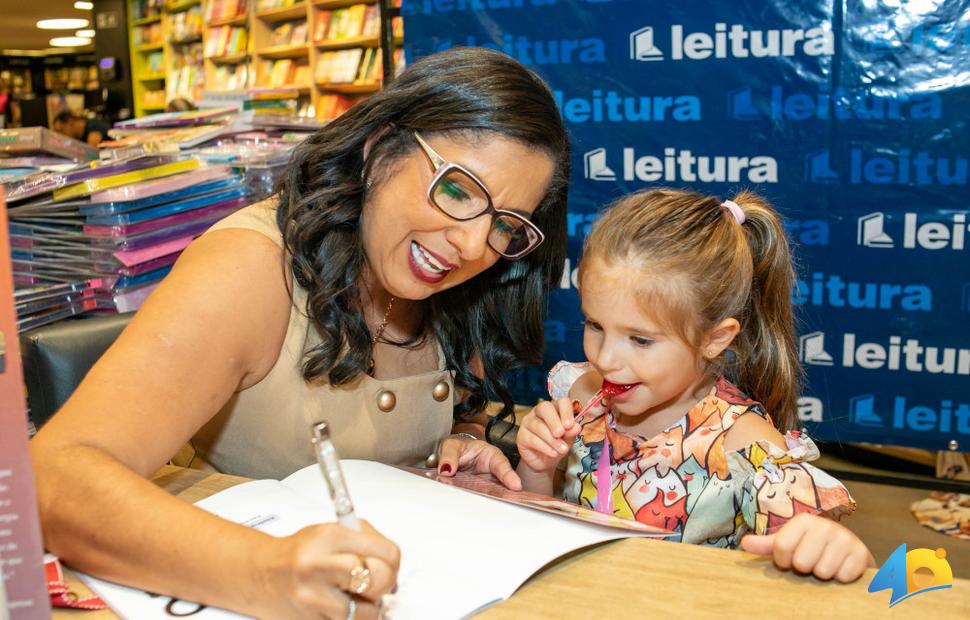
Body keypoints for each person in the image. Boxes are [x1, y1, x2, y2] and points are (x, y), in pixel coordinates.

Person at [30, 47, 570, 619]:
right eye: (458, 191)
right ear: (378, 146)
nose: (469, 245)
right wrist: (263, 571)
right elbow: (54, 477)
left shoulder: (460, 290)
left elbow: (429, 419)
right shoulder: (252, 268)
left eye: (505, 226)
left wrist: (461, 439)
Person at [515, 188, 875, 583]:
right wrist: (538, 467)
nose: (606, 359)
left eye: (640, 340)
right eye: (596, 325)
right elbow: (538, 525)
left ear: (714, 338)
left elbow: (850, 568)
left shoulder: (743, 446)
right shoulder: (580, 394)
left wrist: (834, 548)